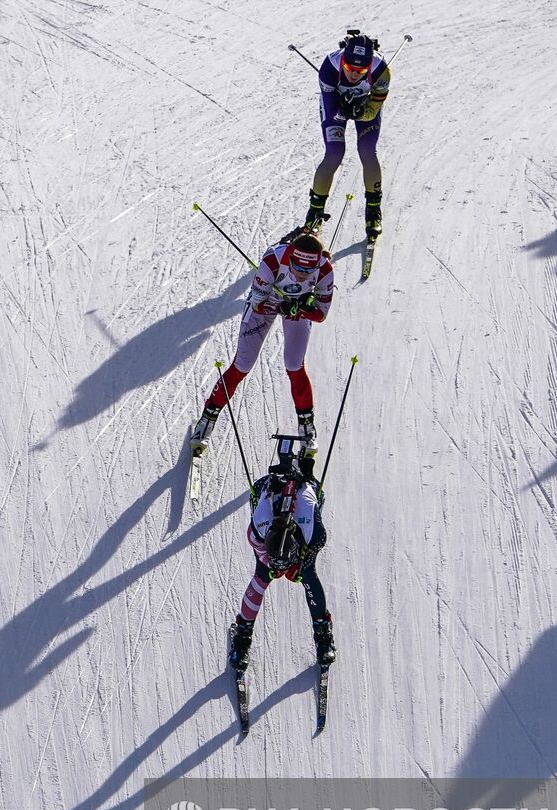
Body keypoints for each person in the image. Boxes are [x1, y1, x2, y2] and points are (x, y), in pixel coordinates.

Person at [189, 232, 334, 457]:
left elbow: (321, 315)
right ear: (291, 259)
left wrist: (303, 307)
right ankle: (207, 419)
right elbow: (258, 306)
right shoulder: (273, 261)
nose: (302, 276)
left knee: (294, 364)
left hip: (296, 309)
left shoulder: (324, 270)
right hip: (267, 303)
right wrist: (283, 307)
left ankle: (307, 426)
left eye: (308, 271)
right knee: (243, 365)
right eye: (298, 268)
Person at [227, 445, 336, 673]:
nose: (282, 571)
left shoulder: (313, 533)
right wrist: (271, 566)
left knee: (307, 574)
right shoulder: (259, 527)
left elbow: (309, 553)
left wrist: (299, 565)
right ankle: (243, 634)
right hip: (266, 491)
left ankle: (323, 633)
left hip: (304, 496)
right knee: (262, 576)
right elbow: (263, 556)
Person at [302, 31, 391, 241]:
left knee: (367, 151)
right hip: (336, 106)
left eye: (361, 70)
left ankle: (373, 212)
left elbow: (377, 102)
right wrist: (345, 111)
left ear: (369, 66)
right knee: (334, 153)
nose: (354, 74)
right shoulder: (330, 67)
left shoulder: (381, 69)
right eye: (350, 68)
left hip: (365, 106)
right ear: (343, 60)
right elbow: (330, 105)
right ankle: (314, 213)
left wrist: (361, 111)